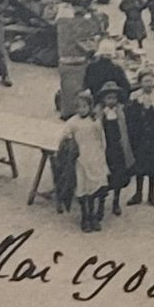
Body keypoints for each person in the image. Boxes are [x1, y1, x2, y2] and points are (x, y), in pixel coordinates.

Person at [61, 90, 110, 232]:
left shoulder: (95, 122)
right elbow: (65, 136)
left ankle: (94, 216)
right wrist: (70, 144)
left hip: (95, 156)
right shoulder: (73, 122)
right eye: (79, 107)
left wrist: (101, 155)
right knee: (83, 187)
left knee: (96, 185)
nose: (81, 110)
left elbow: (102, 139)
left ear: (90, 107)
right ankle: (85, 216)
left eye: (84, 107)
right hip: (81, 158)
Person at [124, 69, 154, 207]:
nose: (148, 84)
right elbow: (130, 117)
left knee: (153, 165)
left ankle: (151, 194)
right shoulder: (135, 96)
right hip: (140, 136)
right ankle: (138, 193)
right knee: (140, 164)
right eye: (145, 81)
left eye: (150, 81)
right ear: (140, 83)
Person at [98, 83, 136, 218]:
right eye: (109, 98)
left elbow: (125, 130)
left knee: (118, 176)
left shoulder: (120, 111)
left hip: (118, 148)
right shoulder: (100, 113)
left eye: (114, 98)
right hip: (105, 149)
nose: (112, 101)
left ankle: (116, 202)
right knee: (103, 178)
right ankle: (101, 205)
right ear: (103, 99)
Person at [83, 38, 132, 102]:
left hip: (96, 100)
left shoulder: (91, 67)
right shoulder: (116, 68)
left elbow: (86, 85)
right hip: (113, 100)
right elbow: (126, 87)